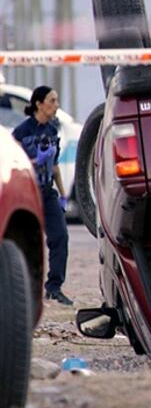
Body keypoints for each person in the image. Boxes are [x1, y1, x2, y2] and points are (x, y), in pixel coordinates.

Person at [11, 85, 73, 305]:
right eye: (52, 101)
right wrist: (36, 161)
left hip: (47, 193)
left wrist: (64, 195)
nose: (56, 105)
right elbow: (14, 165)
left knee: (60, 238)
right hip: (27, 193)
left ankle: (54, 287)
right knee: (26, 241)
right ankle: (23, 289)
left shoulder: (52, 131)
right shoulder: (21, 132)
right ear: (39, 104)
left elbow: (54, 166)